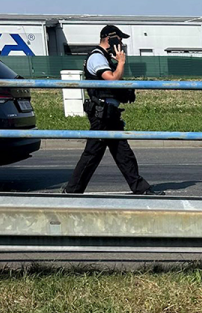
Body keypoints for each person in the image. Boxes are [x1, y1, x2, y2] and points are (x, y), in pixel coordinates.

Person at [63, 25, 162, 195]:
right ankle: (72, 191)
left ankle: (140, 188)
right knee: (92, 154)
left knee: (123, 153)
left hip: (110, 113)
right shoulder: (97, 58)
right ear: (110, 39)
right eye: (119, 39)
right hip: (102, 114)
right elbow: (112, 80)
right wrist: (121, 62)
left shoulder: (105, 58)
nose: (121, 43)